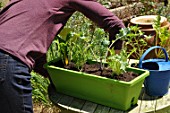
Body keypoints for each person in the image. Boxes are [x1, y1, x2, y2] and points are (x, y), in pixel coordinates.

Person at [0, 0, 125, 112]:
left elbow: (27, 37)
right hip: (9, 60)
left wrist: (54, 75)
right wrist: (113, 65)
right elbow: (117, 27)